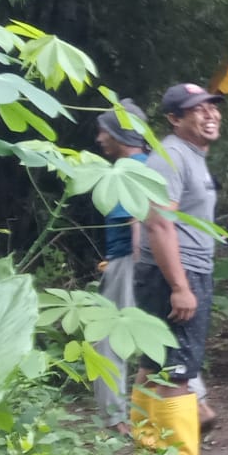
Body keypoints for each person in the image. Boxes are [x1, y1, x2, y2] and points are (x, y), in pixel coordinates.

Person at [130, 83, 228, 455]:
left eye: (212, 107)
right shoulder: (171, 155)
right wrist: (179, 285)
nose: (210, 114)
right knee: (176, 370)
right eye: (197, 110)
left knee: (154, 364)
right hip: (176, 272)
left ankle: (151, 450)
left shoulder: (190, 156)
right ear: (174, 118)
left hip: (179, 271)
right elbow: (158, 222)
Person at [93, 100, 151, 432]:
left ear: (119, 133)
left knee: (109, 341)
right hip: (148, 264)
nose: (99, 138)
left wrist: (138, 269)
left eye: (103, 131)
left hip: (129, 263)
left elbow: (136, 221)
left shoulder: (126, 171)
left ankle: (115, 419)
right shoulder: (154, 165)